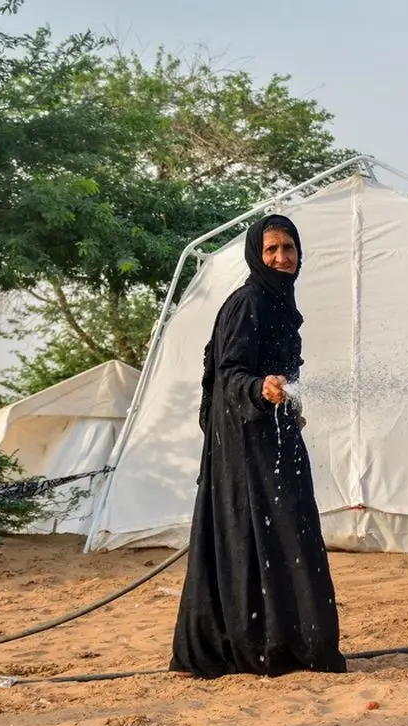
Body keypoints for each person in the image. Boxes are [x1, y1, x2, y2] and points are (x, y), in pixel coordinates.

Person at [170, 214, 347, 679]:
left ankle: (289, 642)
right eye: (271, 250)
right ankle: (259, 644)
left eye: (288, 249)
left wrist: (287, 402)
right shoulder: (247, 303)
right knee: (265, 529)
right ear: (255, 255)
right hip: (247, 441)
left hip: (274, 431)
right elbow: (228, 373)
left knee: (289, 527)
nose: (281, 258)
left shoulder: (282, 305)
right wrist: (258, 388)